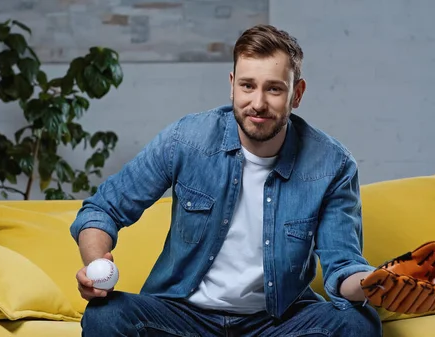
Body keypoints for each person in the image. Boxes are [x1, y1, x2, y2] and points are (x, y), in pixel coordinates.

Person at [70, 24, 382, 337]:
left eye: (274, 89)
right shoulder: (186, 140)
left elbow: (342, 265)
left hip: (276, 323)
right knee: (105, 315)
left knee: (359, 323)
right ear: (232, 86)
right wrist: (96, 264)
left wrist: (380, 284)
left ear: (296, 94)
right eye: (248, 86)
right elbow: (102, 210)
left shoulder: (332, 164)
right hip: (182, 317)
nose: (258, 103)